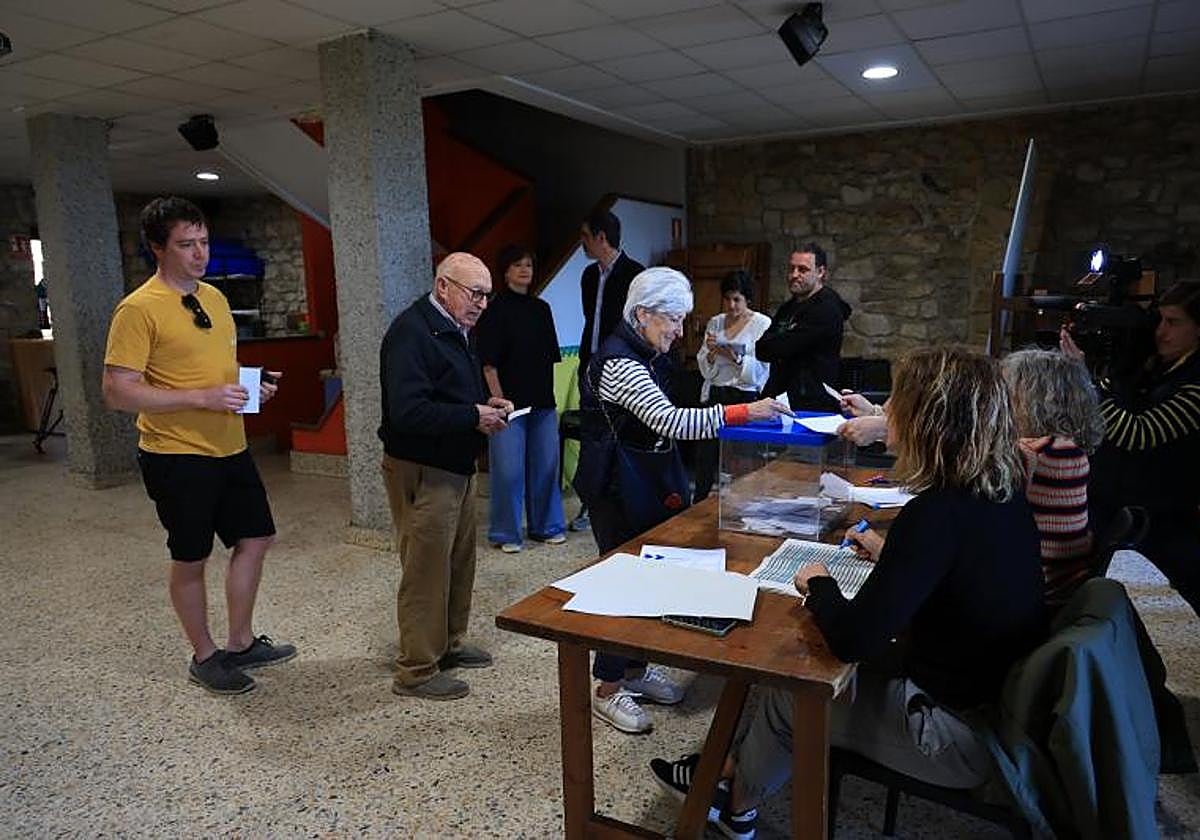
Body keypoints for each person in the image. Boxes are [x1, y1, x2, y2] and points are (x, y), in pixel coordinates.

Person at [651, 347, 1048, 838]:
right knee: (796, 683)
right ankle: (728, 777)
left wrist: (817, 584)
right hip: (991, 710)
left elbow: (854, 639)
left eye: (897, 401)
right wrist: (893, 556)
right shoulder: (998, 493)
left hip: (958, 737)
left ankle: (734, 805)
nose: (888, 410)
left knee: (791, 692)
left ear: (928, 420)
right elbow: (958, 575)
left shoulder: (935, 514)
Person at [574, 267, 786, 734]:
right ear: (643, 314)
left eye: (682, 319)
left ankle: (635, 670)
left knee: (649, 578)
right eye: (672, 319)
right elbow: (671, 421)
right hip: (618, 486)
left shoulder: (647, 352)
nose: (679, 330)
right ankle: (608, 687)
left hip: (643, 478)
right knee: (623, 584)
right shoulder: (619, 362)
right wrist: (743, 411)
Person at [102, 196, 294, 696]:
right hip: (176, 454)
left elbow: (217, 367)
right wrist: (201, 397)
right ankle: (205, 655)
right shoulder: (138, 309)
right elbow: (118, 391)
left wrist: (252, 386)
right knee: (191, 557)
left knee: (256, 538)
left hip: (230, 446)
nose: (200, 253)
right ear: (157, 248)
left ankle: (240, 642)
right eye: (186, 245)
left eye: (204, 242)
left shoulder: (214, 298)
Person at [379, 252, 513, 701]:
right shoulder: (410, 332)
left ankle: (449, 644)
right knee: (426, 570)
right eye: (475, 293)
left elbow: (451, 393)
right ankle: (416, 669)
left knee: (458, 562)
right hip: (424, 468)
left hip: (457, 466)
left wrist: (485, 406)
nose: (482, 304)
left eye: (487, 296)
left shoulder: (456, 328)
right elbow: (408, 411)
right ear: (443, 287)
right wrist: (471, 416)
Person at [1066, 282, 1200, 616]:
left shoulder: (1195, 384)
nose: (1161, 332)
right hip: (1128, 497)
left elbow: (1136, 434)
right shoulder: (1159, 367)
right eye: (1160, 320)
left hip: (1165, 508)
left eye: (1173, 322)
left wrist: (1087, 380)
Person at [474, 245, 566, 553]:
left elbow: (550, 359)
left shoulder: (541, 309)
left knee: (547, 468)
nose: (525, 270)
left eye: (528, 264)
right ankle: (505, 533)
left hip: (542, 402)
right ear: (505, 271)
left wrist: (550, 400)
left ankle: (547, 527)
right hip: (508, 405)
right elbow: (488, 364)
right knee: (508, 472)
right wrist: (498, 402)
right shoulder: (494, 310)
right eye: (518, 265)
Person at [1001, 349, 1105, 608]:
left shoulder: (1035, 452)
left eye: (1006, 390)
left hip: (1040, 586)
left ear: (1030, 398)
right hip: (1068, 579)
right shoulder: (1069, 447)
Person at [572, 208, 646, 532]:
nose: (582, 243)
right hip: (590, 365)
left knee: (618, 434)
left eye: (585, 236)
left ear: (601, 237)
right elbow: (591, 319)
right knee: (592, 435)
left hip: (619, 366)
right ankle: (592, 501)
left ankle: (620, 498)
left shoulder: (635, 275)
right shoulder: (588, 276)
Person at [693, 269, 772, 502]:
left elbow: (761, 371)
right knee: (706, 454)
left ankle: (742, 504)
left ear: (748, 299)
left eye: (737, 299)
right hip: (716, 393)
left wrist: (734, 358)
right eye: (727, 299)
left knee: (741, 455)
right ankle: (699, 501)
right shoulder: (716, 322)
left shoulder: (762, 324)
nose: (731, 305)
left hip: (744, 396)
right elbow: (704, 364)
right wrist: (711, 354)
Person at [756, 244, 851, 411]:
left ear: (820, 272)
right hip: (782, 396)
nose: (794, 275)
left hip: (812, 402)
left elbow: (786, 346)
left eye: (802, 270)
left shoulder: (826, 309)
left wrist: (780, 342)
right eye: (791, 268)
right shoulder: (787, 308)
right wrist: (782, 342)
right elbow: (761, 349)